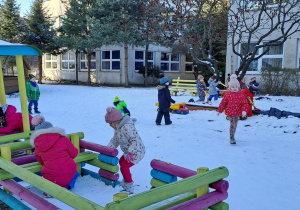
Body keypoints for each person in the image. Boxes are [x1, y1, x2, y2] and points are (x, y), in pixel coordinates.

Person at [30, 121, 79, 193]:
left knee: (51, 176)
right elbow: (74, 154)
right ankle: (67, 186)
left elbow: (41, 161)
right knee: (75, 173)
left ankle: (49, 190)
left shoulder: (38, 145)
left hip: (50, 176)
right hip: (67, 171)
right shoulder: (63, 139)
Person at [105, 107, 145, 194]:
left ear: (116, 120)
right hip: (129, 151)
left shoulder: (127, 127)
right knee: (121, 161)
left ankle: (129, 186)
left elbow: (135, 140)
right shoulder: (118, 128)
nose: (110, 125)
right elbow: (115, 140)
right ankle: (127, 179)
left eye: (110, 123)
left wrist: (131, 152)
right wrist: (109, 148)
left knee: (124, 167)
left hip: (137, 151)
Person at [217, 74, 248, 144]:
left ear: (238, 87)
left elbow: (245, 103)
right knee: (232, 124)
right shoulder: (228, 95)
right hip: (230, 112)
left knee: (235, 124)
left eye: (236, 87)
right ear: (230, 88)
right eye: (233, 87)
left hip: (237, 113)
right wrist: (219, 110)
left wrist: (244, 110)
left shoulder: (241, 95)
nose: (234, 88)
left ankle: (233, 134)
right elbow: (223, 103)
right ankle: (231, 137)